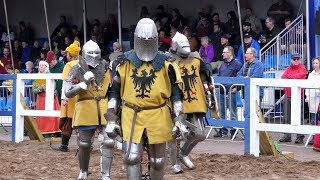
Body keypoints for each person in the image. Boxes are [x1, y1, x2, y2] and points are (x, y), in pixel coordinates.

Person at [105, 18, 184, 179]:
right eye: (143, 39)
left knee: (158, 161)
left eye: (150, 39)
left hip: (158, 114)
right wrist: (111, 119)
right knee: (131, 158)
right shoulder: (124, 62)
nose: (146, 42)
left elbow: (176, 94)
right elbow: (114, 92)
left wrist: (179, 120)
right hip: (131, 114)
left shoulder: (166, 63)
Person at [64, 40, 113, 179]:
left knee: (109, 142)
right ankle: (83, 171)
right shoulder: (76, 68)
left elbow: (112, 89)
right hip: (85, 108)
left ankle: (105, 174)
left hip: (104, 107)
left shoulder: (105, 67)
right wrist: (83, 84)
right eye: (90, 52)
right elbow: (68, 92)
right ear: (84, 54)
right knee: (84, 144)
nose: (93, 55)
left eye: (96, 52)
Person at [167, 31, 212, 173]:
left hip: (194, 100)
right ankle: (174, 163)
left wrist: (208, 92)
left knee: (200, 134)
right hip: (175, 101)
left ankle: (183, 153)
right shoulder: (168, 62)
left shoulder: (196, 60)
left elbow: (205, 77)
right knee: (173, 135)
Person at [52, 41, 81, 152]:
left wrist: (64, 98)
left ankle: (64, 146)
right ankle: (83, 146)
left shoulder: (68, 65)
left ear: (71, 55)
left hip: (71, 98)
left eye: (67, 54)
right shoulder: (84, 64)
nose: (66, 56)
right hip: (81, 98)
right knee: (81, 123)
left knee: (67, 123)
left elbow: (66, 83)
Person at [279, 53, 307, 144]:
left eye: (297, 59)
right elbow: (283, 77)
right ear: (291, 60)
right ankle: (287, 135)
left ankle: (300, 137)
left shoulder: (302, 68)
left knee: (299, 117)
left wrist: (289, 77)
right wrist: (292, 78)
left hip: (299, 96)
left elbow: (301, 76)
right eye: (294, 59)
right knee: (286, 117)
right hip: (288, 95)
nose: (296, 60)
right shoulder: (288, 68)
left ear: (300, 59)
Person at [214, 46, 242, 138]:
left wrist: (237, 88)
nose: (222, 54)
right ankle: (223, 130)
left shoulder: (237, 64)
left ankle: (234, 130)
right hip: (221, 91)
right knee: (221, 112)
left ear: (229, 53)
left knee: (232, 112)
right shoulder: (222, 64)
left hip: (231, 91)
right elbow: (219, 76)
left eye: (224, 52)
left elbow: (240, 78)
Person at [32, 61, 60, 136]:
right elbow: (34, 89)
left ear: (46, 67)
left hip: (50, 98)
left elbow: (53, 87)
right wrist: (40, 88)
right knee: (42, 117)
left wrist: (47, 88)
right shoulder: (36, 76)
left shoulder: (51, 75)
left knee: (50, 117)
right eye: (39, 65)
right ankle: (43, 133)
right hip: (41, 99)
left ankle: (52, 132)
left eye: (42, 65)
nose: (40, 67)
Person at [237, 47, 264, 120]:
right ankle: (248, 130)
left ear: (252, 55)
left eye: (247, 53)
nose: (245, 55)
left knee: (255, 114)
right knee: (247, 113)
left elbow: (256, 76)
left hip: (255, 93)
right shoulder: (245, 64)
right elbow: (238, 74)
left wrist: (246, 78)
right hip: (245, 92)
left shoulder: (259, 64)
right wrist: (244, 78)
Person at [305, 57, 320, 145]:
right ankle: (314, 137)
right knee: (313, 118)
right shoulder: (311, 74)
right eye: (314, 63)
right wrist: (307, 97)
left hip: (319, 99)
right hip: (312, 99)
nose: (315, 65)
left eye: (316, 63)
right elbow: (307, 86)